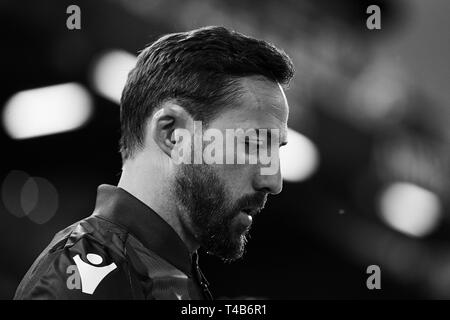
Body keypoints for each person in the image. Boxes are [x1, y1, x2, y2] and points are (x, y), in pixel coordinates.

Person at [14, 26, 294, 300]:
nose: (274, 181)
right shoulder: (84, 279)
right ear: (172, 134)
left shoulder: (163, 271)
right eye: (254, 144)